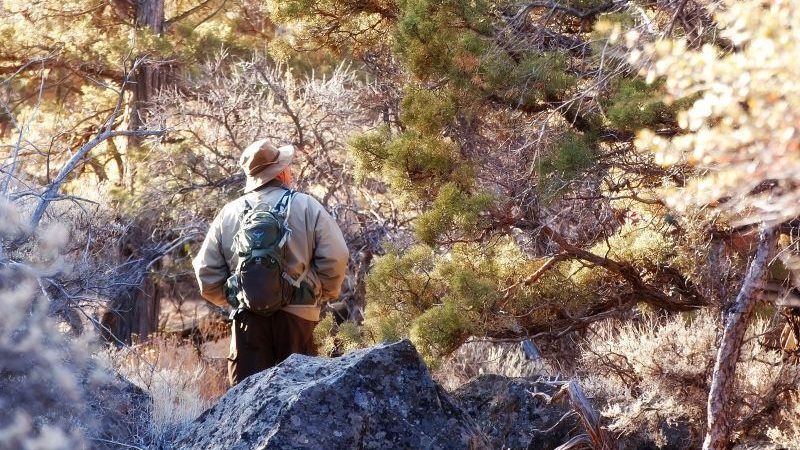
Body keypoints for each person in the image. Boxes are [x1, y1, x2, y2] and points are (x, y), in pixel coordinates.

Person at [192, 139, 349, 385]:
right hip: (300, 320)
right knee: (301, 400)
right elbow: (336, 256)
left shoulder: (229, 213)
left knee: (247, 408)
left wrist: (243, 297)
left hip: (248, 324)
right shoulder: (306, 205)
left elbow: (206, 274)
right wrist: (317, 292)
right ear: (282, 172)